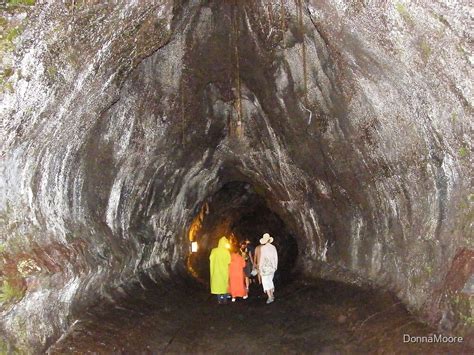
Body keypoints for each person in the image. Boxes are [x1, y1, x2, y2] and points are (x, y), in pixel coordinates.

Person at [209, 236, 231, 304]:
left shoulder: (214, 250)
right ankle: (224, 300)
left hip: (216, 271)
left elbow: (210, 258)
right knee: (224, 285)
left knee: (217, 285)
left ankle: (219, 300)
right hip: (224, 271)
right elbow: (229, 261)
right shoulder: (226, 251)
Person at [258, 233, 278, 304]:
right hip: (272, 267)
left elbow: (262, 258)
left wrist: (260, 268)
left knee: (265, 282)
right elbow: (276, 257)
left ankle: (270, 297)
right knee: (270, 280)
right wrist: (275, 266)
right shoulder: (273, 247)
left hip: (265, 267)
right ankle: (272, 295)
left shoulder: (263, 248)